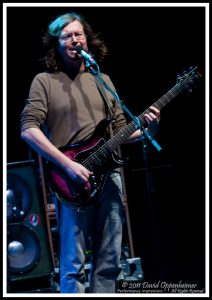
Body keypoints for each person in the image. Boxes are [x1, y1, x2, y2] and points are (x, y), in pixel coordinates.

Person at [20, 12, 160, 293]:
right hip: (70, 180)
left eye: (79, 34)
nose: (75, 39)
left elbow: (121, 131)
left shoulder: (102, 79)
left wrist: (148, 129)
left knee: (110, 259)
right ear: (56, 44)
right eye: (67, 36)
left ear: (88, 39)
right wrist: (68, 166)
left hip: (109, 178)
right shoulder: (45, 81)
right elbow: (28, 130)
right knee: (72, 264)